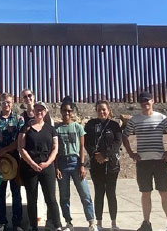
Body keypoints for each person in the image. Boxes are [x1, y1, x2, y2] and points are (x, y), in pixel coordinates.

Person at [122, 92, 167, 231]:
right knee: (145, 193)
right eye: (142, 101)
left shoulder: (162, 118)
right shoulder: (135, 120)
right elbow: (124, 136)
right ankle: (146, 223)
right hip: (143, 162)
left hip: (159, 161)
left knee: (164, 192)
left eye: (147, 100)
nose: (145, 103)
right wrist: (130, 153)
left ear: (152, 101)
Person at [18, 101, 62, 231]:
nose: (39, 112)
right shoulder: (25, 128)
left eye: (42, 110)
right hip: (30, 168)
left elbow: (55, 148)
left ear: (45, 112)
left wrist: (48, 163)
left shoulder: (51, 129)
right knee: (32, 199)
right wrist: (31, 163)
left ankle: (57, 225)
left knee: (51, 199)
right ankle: (33, 227)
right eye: (37, 109)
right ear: (34, 110)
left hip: (46, 168)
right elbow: (21, 147)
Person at [55, 97, 96, 231]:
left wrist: (82, 165)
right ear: (61, 111)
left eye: (69, 111)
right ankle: (68, 222)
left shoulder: (78, 127)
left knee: (85, 194)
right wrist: (56, 167)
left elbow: (82, 147)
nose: (66, 113)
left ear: (72, 112)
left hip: (76, 163)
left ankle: (91, 222)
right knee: (64, 196)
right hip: (62, 163)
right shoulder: (57, 129)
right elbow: (54, 150)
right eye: (64, 111)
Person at [0, 93, 25, 231]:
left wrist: (4, 150)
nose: (6, 105)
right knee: (0, 192)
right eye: (4, 102)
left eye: (9, 102)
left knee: (16, 193)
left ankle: (17, 223)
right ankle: (1, 222)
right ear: (0, 103)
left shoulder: (18, 119)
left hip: (14, 160)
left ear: (12, 102)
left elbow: (20, 140)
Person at [84, 100, 122, 231]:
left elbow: (117, 142)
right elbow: (86, 141)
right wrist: (95, 155)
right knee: (99, 193)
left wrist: (105, 155)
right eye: (99, 109)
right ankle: (98, 222)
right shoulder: (90, 125)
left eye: (104, 109)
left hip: (111, 165)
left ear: (109, 110)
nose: (102, 112)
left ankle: (113, 223)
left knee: (111, 193)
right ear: (96, 110)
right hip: (96, 164)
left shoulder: (114, 125)